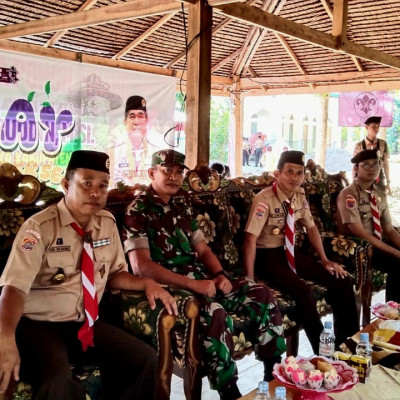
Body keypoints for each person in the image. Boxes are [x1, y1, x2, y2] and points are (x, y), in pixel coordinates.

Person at [0, 150, 177, 400]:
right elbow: (13, 288)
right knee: (57, 382)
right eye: (86, 183)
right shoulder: (39, 228)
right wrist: (5, 336)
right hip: (39, 327)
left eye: (102, 185)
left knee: (143, 358)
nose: (95, 192)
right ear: (65, 184)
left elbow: (115, 273)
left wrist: (146, 283)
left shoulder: (106, 223)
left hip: (85, 324)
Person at [123, 149, 286, 400]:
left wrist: (219, 274)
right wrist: (193, 285)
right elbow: (141, 267)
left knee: (260, 294)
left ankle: (272, 374)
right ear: (151, 173)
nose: (174, 177)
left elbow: (203, 249)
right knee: (214, 312)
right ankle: (228, 390)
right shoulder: (138, 210)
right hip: (169, 287)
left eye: (179, 172)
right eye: (167, 170)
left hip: (199, 278)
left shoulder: (182, 203)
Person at [243, 150, 359, 355]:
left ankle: (347, 344)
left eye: (299, 173)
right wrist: (250, 278)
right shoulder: (264, 200)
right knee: (303, 292)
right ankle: (325, 352)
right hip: (267, 256)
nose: (295, 177)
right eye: (289, 171)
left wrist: (325, 260)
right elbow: (250, 239)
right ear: (277, 174)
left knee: (342, 280)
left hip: (289, 251)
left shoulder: (299, 197)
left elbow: (312, 228)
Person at [336, 149, 400, 303]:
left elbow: (389, 229)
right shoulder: (349, 195)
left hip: (377, 243)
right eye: (366, 165)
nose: (372, 169)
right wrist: (395, 252)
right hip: (359, 247)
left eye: (376, 165)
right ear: (356, 168)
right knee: (398, 264)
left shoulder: (379, 194)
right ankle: (393, 313)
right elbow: (360, 233)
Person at [109, 95, 164, 186]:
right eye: (132, 116)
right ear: (125, 122)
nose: (136, 122)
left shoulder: (158, 149)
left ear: (146, 121)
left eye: (140, 116)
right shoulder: (115, 150)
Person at [353, 116, 391, 194]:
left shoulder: (383, 144)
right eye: (373, 126)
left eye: (378, 126)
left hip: (379, 177)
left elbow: (386, 163)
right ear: (367, 127)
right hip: (363, 178)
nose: (376, 128)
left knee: (380, 201)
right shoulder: (359, 145)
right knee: (364, 201)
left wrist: (388, 182)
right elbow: (355, 166)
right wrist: (354, 181)